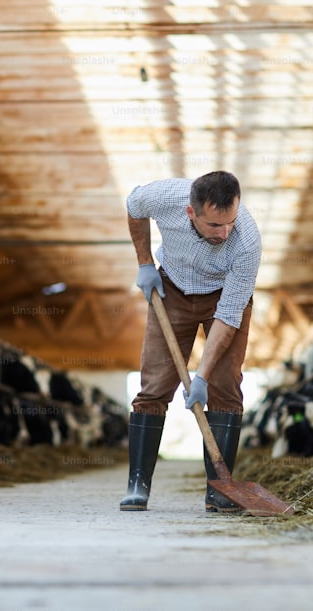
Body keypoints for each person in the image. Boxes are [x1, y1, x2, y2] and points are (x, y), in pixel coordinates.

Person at [120, 172, 261, 512]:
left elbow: (229, 316)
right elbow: (133, 206)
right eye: (214, 225)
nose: (224, 232)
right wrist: (144, 263)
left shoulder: (247, 243)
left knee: (225, 386)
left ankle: (219, 490)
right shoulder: (164, 196)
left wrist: (202, 378)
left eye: (230, 222)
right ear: (190, 213)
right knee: (154, 385)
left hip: (222, 298)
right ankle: (138, 484)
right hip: (171, 292)